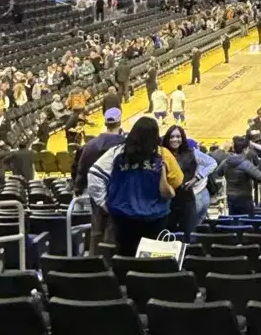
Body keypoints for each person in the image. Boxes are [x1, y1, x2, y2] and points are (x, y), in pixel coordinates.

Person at [87, 116, 183, 256]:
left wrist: (104, 202)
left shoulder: (118, 152)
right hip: (155, 216)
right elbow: (178, 181)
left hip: (123, 215)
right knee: (151, 262)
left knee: (125, 258)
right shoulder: (161, 153)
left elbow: (94, 175)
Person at [74, 107, 125, 253]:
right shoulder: (125, 144)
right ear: (119, 122)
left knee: (97, 230)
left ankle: (94, 263)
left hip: (95, 194)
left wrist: (78, 189)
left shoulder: (90, 145)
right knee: (116, 232)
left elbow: (82, 170)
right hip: (119, 195)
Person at [216, 136, 261, 216]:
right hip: (244, 197)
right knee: (248, 220)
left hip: (230, 196)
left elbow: (219, 173)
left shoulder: (226, 161)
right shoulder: (246, 164)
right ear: (245, 149)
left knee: (234, 220)